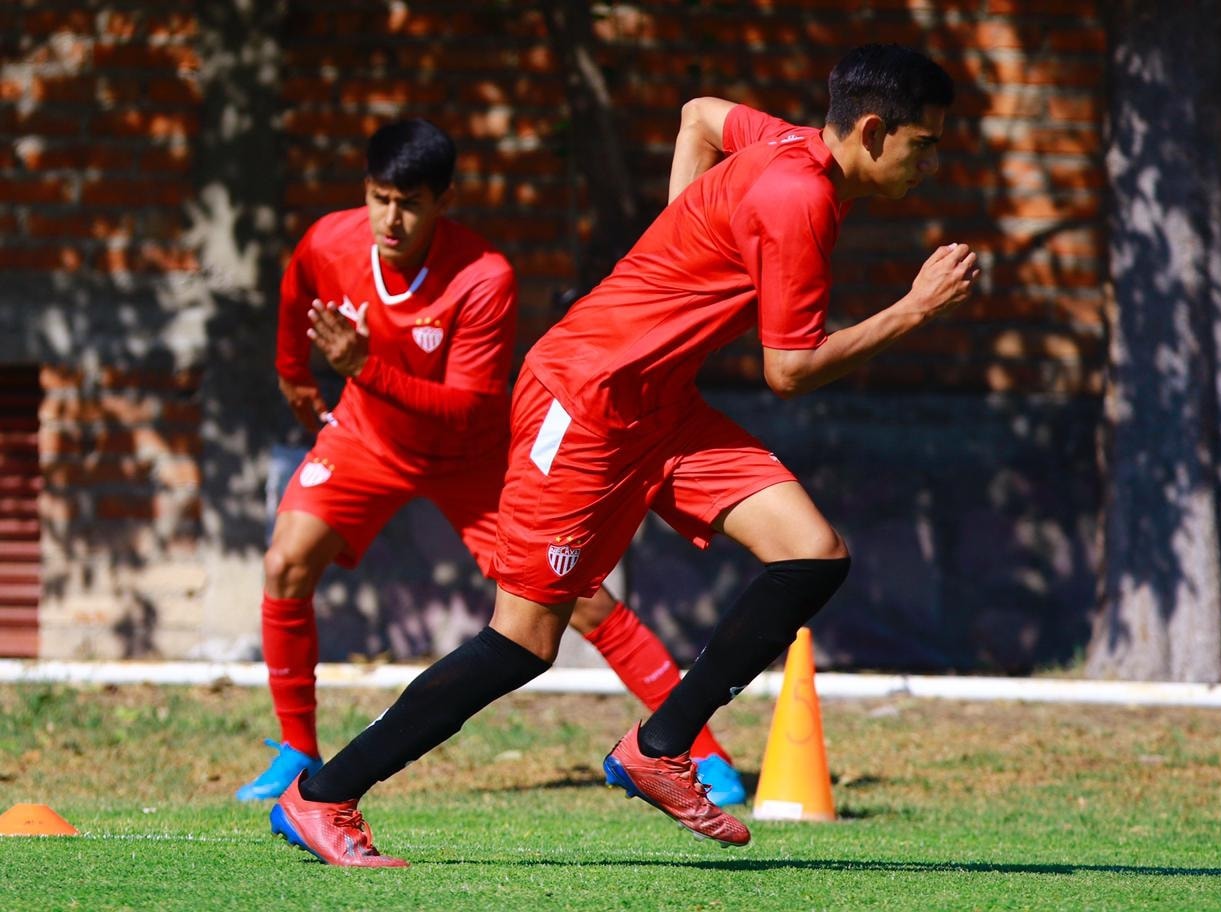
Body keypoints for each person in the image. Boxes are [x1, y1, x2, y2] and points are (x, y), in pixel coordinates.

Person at [269, 44, 977, 867]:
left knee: (812, 554)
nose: (932, 163)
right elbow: (789, 370)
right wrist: (914, 309)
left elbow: (700, 116)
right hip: (584, 402)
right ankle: (324, 794)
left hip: (660, 405)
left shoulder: (786, 144)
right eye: (924, 144)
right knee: (523, 641)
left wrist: (681, 237)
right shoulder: (799, 197)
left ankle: (659, 746)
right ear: (872, 131)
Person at [238, 118, 744, 811]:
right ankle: (297, 747)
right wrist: (292, 371)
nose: (390, 219)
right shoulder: (330, 239)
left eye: (410, 203)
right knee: (285, 563)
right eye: (380, 198)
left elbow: (470, 408)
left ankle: (698, 750)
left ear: (444, 201)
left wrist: (363, 368)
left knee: (581, 600)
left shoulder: (483, 277)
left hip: (471, 461)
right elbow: (298, 284)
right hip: (365, 437)